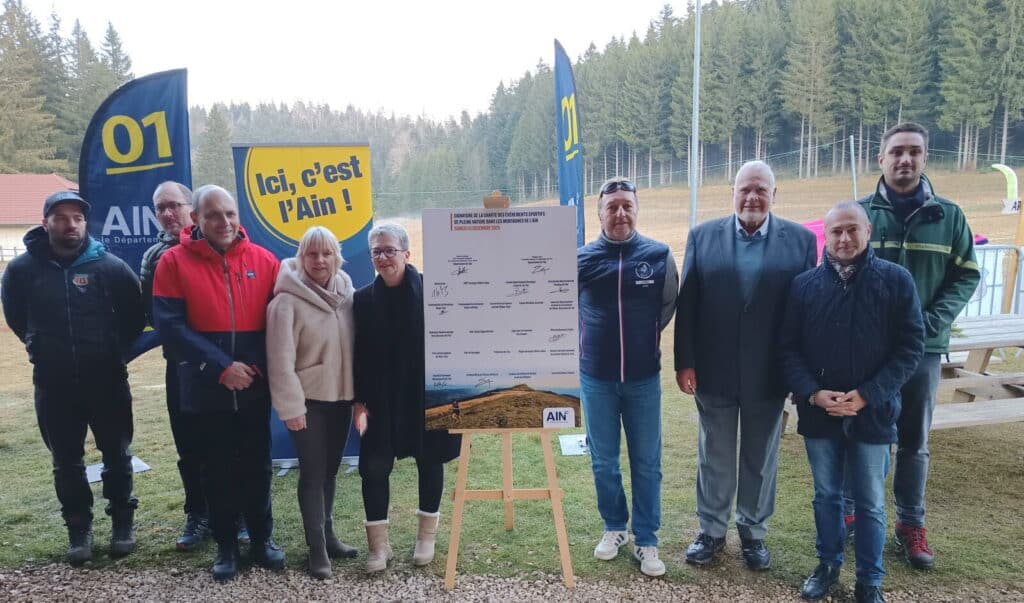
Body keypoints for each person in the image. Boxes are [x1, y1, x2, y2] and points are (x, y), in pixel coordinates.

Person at [847, 123, 980, 570]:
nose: (905, 159)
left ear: (925, 158)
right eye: (897, 151)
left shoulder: (948, 216)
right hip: (868, 352)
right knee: (863, 432)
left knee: (914, 441)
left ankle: (910, 523)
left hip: (923, 351)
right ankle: (854, 513)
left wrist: (934, 321)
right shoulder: (861, 213)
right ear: (881, 159)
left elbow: (966, 275)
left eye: (914, 152)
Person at [675, 161, 817, 570]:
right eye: (745, 189)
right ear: (733, 193)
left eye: (760, 190)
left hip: (770, 373)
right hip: (714, 371)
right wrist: (685, 361)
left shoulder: (801, 241)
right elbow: (689, 304)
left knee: (760, 456)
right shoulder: (702, 237)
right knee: (715, 454)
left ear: (774, 194)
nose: (752, 197)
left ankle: (753, 533)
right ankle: (711, 531)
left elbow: (807, 312)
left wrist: (802, 375)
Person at [780, 202, 924, 603]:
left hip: (873, 412)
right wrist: (812, 393)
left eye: (851, 230)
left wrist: (868, 394)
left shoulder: (896, 281)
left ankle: (870, 580)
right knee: (826, 495)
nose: (844, 239)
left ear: (868, 231)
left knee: (871, 502)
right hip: (820, 411)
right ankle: (827, 565)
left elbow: (910, 347)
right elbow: (788, 348)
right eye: (836, 231)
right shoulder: (804, 285)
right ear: (826, 236)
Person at [1, 190, 145, 565]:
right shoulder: (21, 270)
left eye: (78, 218)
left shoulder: (109, 266)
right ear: (45, 222)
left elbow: (135, 315)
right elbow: (16, 316)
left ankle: (122, 525)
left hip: (107, 380)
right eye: (62, 217)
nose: (71, 224)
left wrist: (112, 350)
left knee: (117, 455)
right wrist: (38, 347)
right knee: (66, 461)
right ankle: (79, 530)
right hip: (53, 383)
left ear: (85, 223)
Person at [152, 184, 283, 580]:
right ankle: (226, 547)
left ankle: (261, 540)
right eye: (213, 215)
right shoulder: (172, 263)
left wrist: (252, 367)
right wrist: (221, 367)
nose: (223, 222)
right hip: (205, 387)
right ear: (196, 219)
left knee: (258, 465)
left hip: (254, 385)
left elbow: (278, 325)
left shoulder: (265, 260)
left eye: (229, 213)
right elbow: (170, 327)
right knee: (215, 470)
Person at [577, 177, 678, 577]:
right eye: (612, 206)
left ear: (636, 210)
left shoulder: (659, 255)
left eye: (627, 206)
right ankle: (614, 526)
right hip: (596, 378)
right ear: (599, 213)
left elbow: (667, 306)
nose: (620, 213)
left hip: (643, 379)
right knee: (603, 461)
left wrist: (642, 337)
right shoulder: (581, 259)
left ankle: (647, 538)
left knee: (647, 462)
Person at [352, 222, 461, 572]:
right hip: (379, 398)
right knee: (373, 467)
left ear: (407, 254)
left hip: (427, 394)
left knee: (430, 460)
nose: (383, 258)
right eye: (377, 252)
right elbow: (358, 354)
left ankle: (426, 538)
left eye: (390, 250)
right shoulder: (361, 300)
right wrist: (358, 400)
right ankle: (378, 547)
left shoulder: (434, 291)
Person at [267, 226, 358, 579]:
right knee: (313, 473)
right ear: (301, 257)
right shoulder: (285, 302)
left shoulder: (347, 293)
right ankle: (316, 548)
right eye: (311, 253)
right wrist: (291, 409)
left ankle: (329, 536)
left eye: (326, 253)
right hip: (308, 405)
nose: (319, 260)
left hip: (342, 400)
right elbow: (280, 362)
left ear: (337, 257)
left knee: (330, 472)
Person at [140, 181, 213, 551]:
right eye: (160, 208)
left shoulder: (216, 243)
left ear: (192, 209)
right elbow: (150, 314)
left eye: (174, 205)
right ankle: (198, 513)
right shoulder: (153, 256)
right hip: (181, 366)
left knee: (231, 444)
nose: (168, 214)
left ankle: (235, 514)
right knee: (188, 445)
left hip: (222, 363)